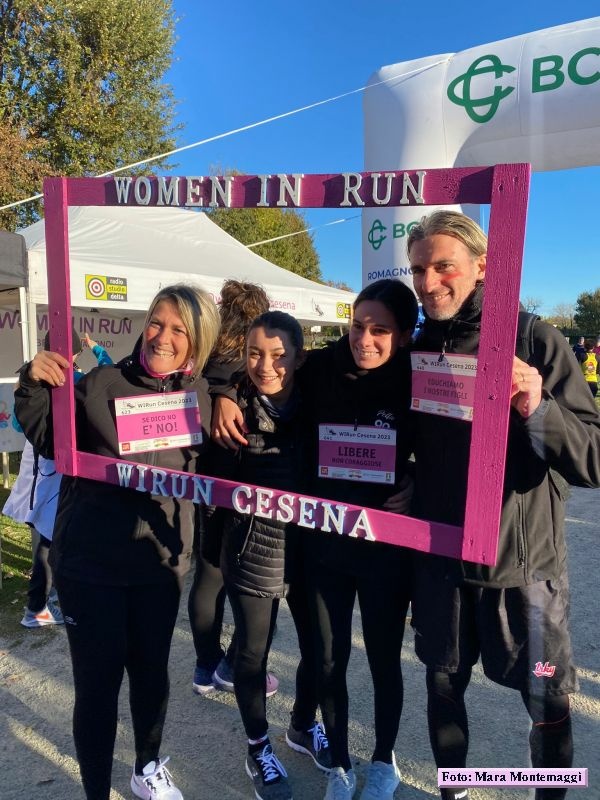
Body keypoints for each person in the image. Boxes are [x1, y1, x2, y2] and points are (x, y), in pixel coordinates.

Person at [406, 211, 600, 800]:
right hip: (441, 562)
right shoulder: (419, 343)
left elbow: (593, 459)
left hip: (522, 567)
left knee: (546, 701)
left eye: (443, 266)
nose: (428, 282)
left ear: (484, 266)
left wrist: (538, 407)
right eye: (418, 269)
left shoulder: (535, 339)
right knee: (443, 689)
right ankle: (457, 790)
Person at [211, 279, 418, 800]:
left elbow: (450, 437)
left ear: (404, 334)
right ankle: (340, 766)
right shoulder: (323, 366)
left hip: (386, 548)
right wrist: (221, 393)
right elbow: (265, 366)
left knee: (383, 661)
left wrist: (417, 482)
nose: (364, 339)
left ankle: (383, 761)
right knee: (327, 658)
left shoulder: (417, 377)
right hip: (325, 546)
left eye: (380, 330)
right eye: (357, 326)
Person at [14, 284, 220, 800]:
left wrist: (234, 398)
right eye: (157, 322)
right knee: (97, 686)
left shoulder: (201, 396)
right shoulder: (101, 383)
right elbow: (48, 436)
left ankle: (146, 768)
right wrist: (33, 381)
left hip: (159, 567)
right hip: (92, 565)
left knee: (151, 675)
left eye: (180, 329)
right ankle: (96, 790)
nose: (163, 336)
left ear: (198, 341)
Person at [187, 279, 278, 696]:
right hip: (248, 485)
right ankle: (233, 664)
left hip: (208, 483)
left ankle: (206, 664)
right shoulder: (252, 365)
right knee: (252, 581)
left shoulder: (203, 360)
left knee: (209, 576)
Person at [3, 332, 111, 628]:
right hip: (57, 472)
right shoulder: (77, 380)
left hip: (37, 468)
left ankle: (44, 604)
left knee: (48, 538)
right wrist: (96, 348)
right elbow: (109, 374)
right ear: (74, 353)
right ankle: (38, 608)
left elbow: (18, 424)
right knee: (52, 541)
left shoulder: (31, 378)